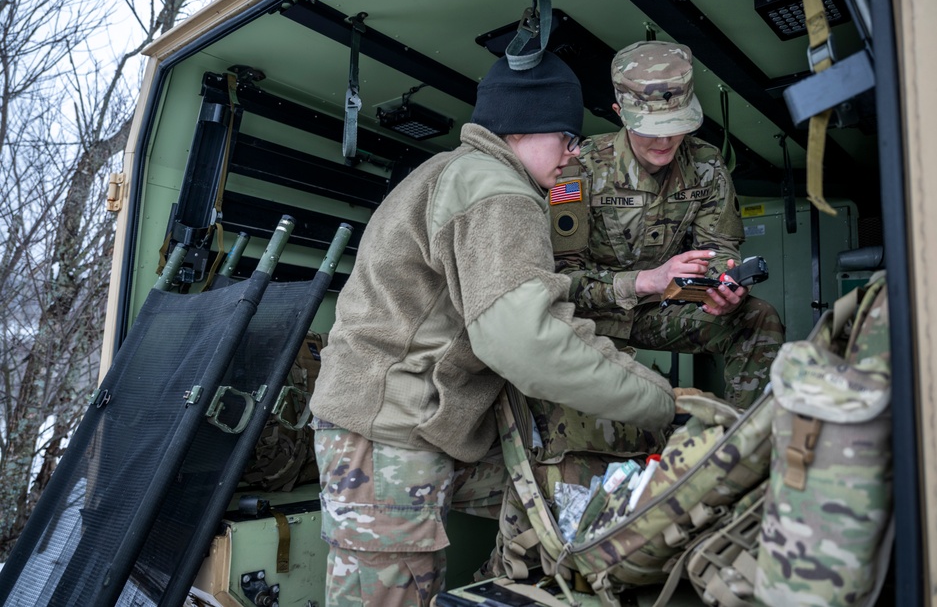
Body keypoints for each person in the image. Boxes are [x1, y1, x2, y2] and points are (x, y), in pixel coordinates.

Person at [309, 51, 676, 607]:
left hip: (393, 427)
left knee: (540, 495)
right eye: (568, 139)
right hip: (387, 440)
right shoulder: (497, 191)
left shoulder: (452, 171)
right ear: (526, 126)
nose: (574, 155)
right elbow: (524, 339)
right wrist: (661, 402)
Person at [552, 40, 785, 409]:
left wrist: (721, 288)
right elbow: (561, 281)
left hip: (664, 306)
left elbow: (720, 250)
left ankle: (745, 442)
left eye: (676, 125)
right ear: (620, 114)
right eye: (651, 128)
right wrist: (645, 280)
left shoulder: (706, 163)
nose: (665, 140)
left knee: (757, 317)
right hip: (590, 317)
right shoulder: (577, 169)